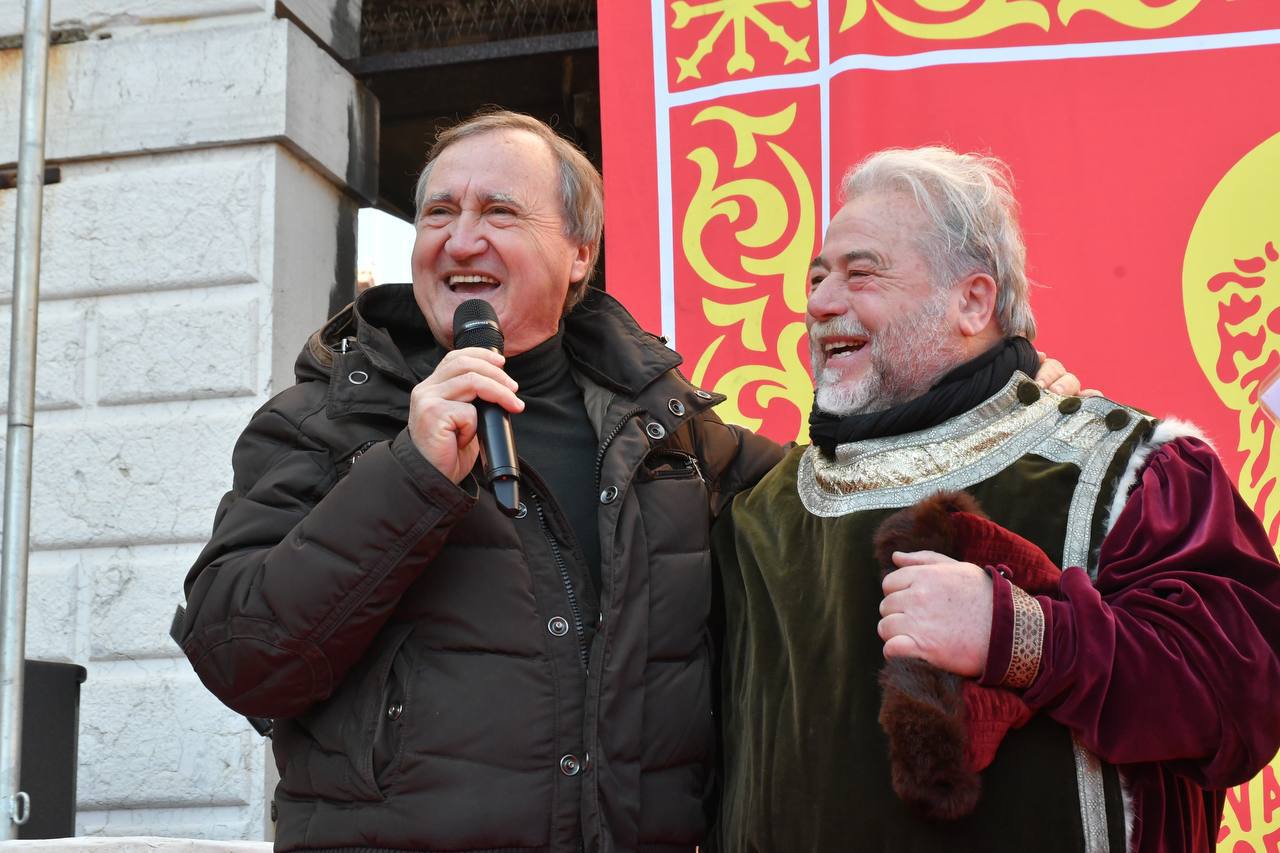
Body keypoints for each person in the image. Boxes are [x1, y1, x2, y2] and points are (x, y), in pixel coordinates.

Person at [173, 113, 1077, 852]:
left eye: (499, 210)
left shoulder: (677, 437)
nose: (461, 238)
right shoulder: (325, 418)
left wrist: (1003, 402)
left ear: (580, 252)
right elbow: (239, 653)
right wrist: (409, 475)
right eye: (439, 212)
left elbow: (852, 497)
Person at [710, 146, 1280, 853]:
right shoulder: (762, 515)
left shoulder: (1136, 470)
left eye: (861, 273)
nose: (822, 303)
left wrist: (1020, 636)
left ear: (973, 301)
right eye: (818, 278)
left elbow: (1244, 696)